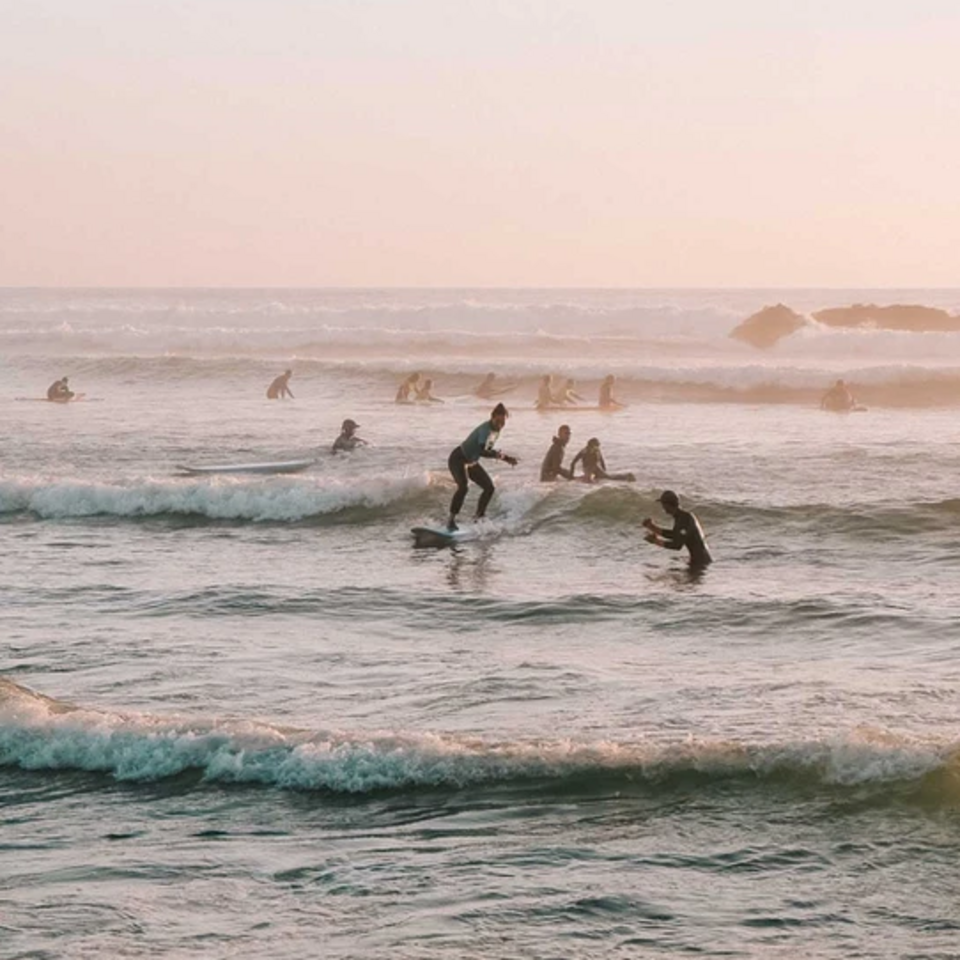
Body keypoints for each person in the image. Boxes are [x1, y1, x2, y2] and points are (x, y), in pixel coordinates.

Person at [446, 402, 519, 530]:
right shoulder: (485, 429)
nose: (500, 424)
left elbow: (488, 450)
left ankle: (479, 516)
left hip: (471, 462)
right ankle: (450, 521)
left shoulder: (496, 432)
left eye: (503, 422)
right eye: (498, 421)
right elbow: (482, 451)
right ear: (492, 417)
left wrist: (505, 458)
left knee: (489, 488)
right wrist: (503, 457)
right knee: (463, 487)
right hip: (458, 458)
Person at [643, 490, 712, 568]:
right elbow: (676, 535)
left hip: (700, 562)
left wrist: (655, 541)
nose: (662, 507)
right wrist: (653, 528)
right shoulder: (681, 517)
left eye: (663, 504)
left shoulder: (684, 519)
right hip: (698, 560)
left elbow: (677, 545)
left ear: (667, 505)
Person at [569, 437, 635, 482]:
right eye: (596, 446)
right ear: (590, 446)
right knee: (588, 480)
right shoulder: (584, 451)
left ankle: (626, 476)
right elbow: (573, 462)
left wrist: (604, 471)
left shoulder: (597, 450)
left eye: (598, 446)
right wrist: (571, 475)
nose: (597, 447)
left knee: (608, 477)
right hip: (587, 468)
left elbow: (601, 461)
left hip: (596, 467)